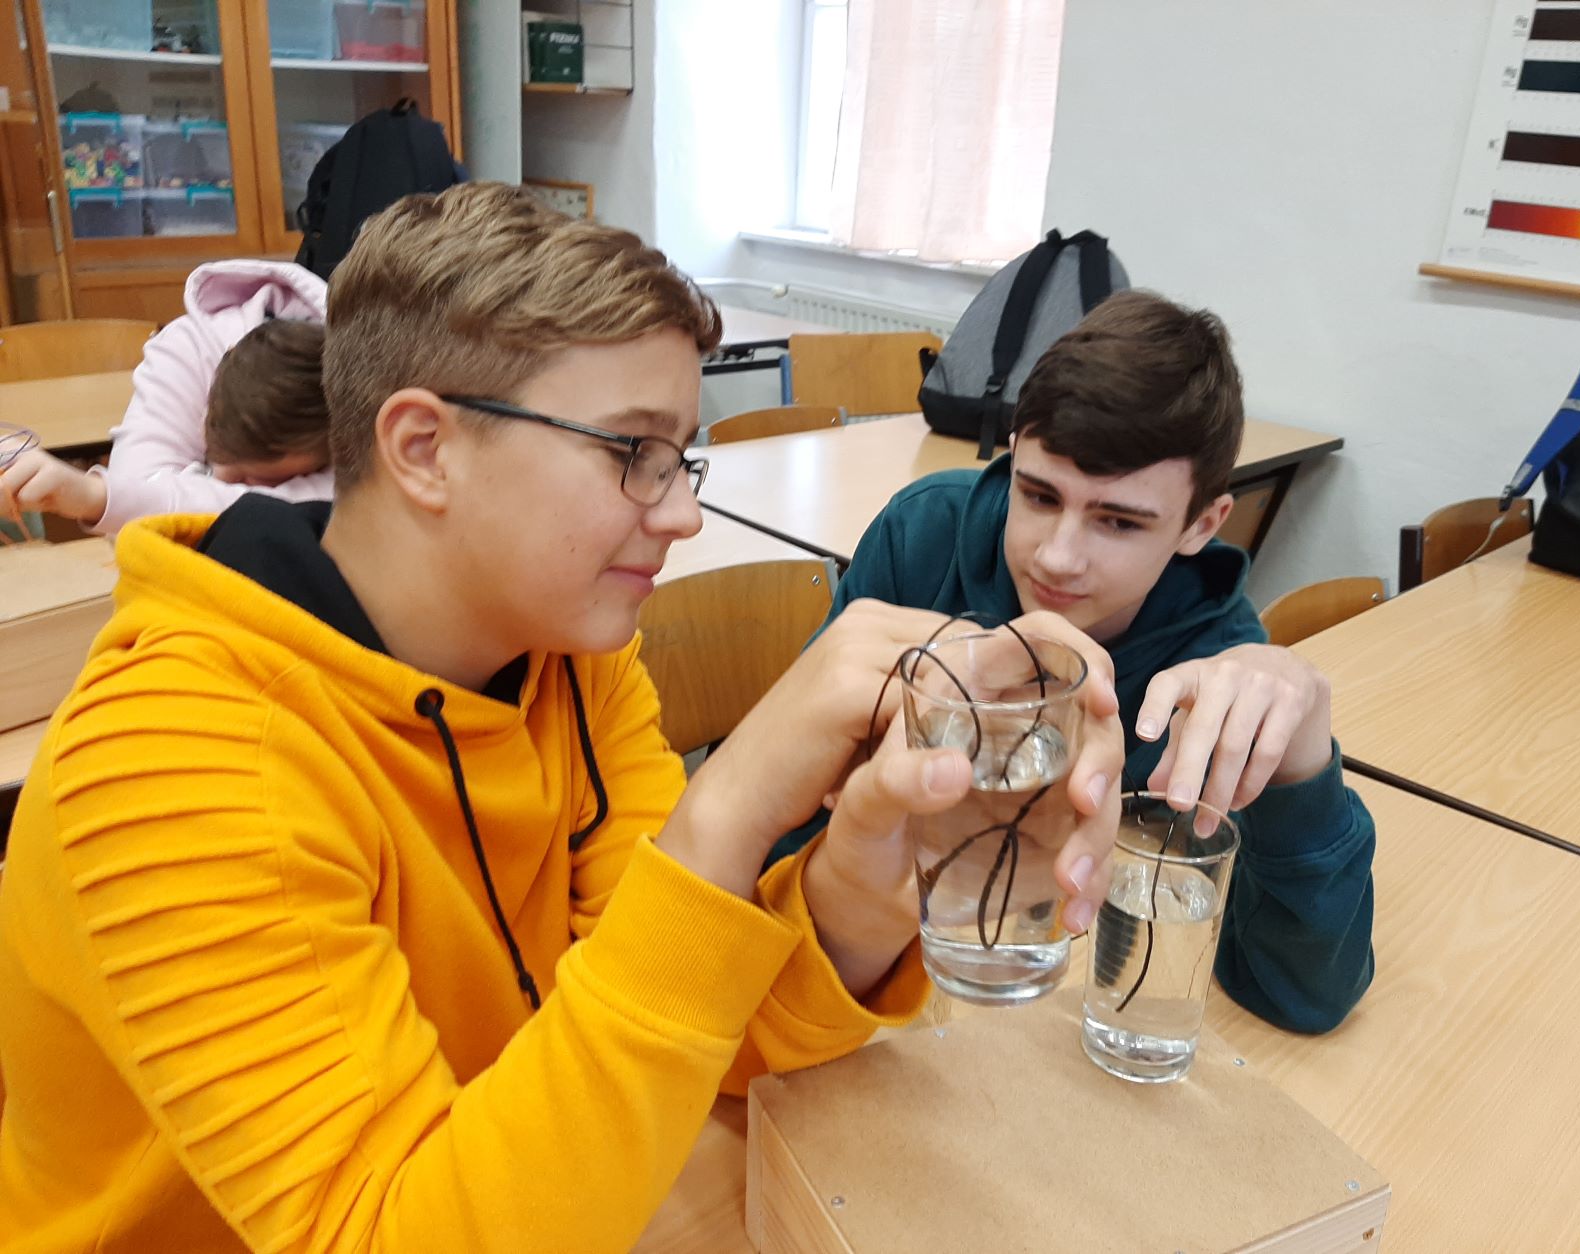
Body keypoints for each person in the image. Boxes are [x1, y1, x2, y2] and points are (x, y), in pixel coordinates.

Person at [0, 182, 1126, 1252]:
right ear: (424, 449)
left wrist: (862, 885)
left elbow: (694, 1023)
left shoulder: (566, 657)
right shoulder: (180, 762)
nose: (682, 515)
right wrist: (730, 808)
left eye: (680, 459)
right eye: (634, 454)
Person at [782, 289, 1375, 1034]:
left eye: (1118, 521)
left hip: (1033, 1027)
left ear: (1202, 524)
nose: (1057, 557)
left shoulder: (1211, 667)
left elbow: (1302, 993)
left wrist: (1302, 768)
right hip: (856, 992)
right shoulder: (921, 539)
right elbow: (786, 813)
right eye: (1038, 495)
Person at [0, 259, 333, 534]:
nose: (221, 479)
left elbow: (341, 507)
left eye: (256, 480)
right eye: (216, 457)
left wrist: (103, 498)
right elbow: (138, 516)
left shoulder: (354, 384)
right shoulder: (194, 347)